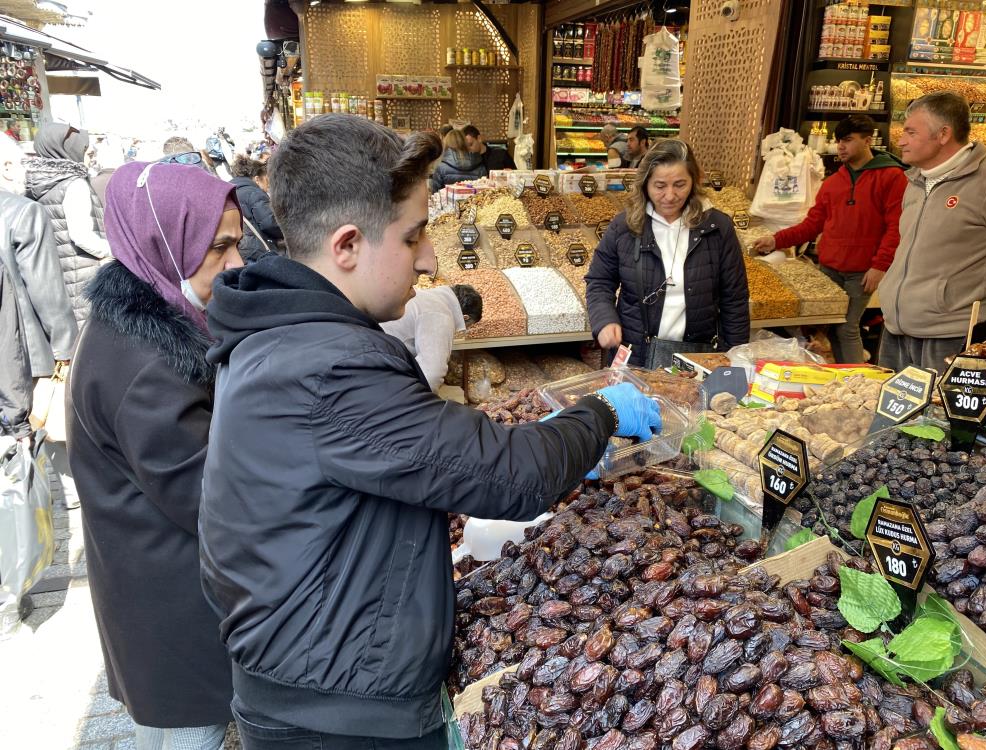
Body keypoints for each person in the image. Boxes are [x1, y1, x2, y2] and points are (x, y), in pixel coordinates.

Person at [198, 113, 662, 749]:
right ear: (348, 245)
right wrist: (603, 413)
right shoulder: (328, 366)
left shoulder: (276, 335)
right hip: (340, 715)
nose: (430, 258)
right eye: (414, 236)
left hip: (307, 679)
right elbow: (511, 476)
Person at [66, 161, 243, 750]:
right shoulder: (149, 368)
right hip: (174, 605)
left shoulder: (138, 325)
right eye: (218, 247)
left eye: (236, 243)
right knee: (190, 729)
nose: (236, 264)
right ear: (164, 242)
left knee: (163, 732)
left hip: (148, 587)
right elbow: (210, 502)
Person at [751, 115, 908, 364]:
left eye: (847, 140)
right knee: (827, 327)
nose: (840, 146)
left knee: (846, 327)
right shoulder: (833, 182)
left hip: (862, 271)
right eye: (838, 141)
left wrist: (879, 266)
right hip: (830, 268)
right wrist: (776, 240)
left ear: (868, 140)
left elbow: (896, 227)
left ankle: (856, 380)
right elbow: (812, 225)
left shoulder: (892, 177)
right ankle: (840, 377)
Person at [585, 138, 750, 368]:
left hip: (696, 359)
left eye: (680, 184)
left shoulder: (717, 228)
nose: (670, 196)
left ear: (694, 181)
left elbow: (735, 299)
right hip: (635, 355)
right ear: (645, 184)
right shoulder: (625, 226)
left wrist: (734, 358)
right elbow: (600, 280)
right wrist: (604, 320)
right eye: (660, 186)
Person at [879, 91, 986, 373]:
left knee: (939, 419)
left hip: (952, 338)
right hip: (896, 331)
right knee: (886, 417)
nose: (901, 141)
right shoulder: (916, 180)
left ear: (943, 134)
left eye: (910, 132)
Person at [0, 133, 77, 439]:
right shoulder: (23, 211)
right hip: (25, 355)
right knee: (35, 446)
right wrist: (67, 350)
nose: (26, 172)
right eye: (21, 164)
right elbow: (47, 291)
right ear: (6, 167)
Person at [24, 122, 111, 326]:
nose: (85, 153)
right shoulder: (74, 184)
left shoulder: (39, 183)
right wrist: (113, 250)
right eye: (82, 149)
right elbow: (82, 236)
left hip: (60, 273)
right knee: (91, 336)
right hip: (85, 275)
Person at [381, 283, 482, 392]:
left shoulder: (430, 297)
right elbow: (432, 374)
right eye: (467, 326)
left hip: (375, 353)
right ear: (465, 317)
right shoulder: (441, 315)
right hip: (383, 367)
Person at [230, 153, 283, 261]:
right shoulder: (254, 193)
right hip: (263, 251)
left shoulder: (231, 194)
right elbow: (269, 223)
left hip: (243, 253)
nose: (268, 186)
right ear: (257, 179)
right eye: (266, 180)